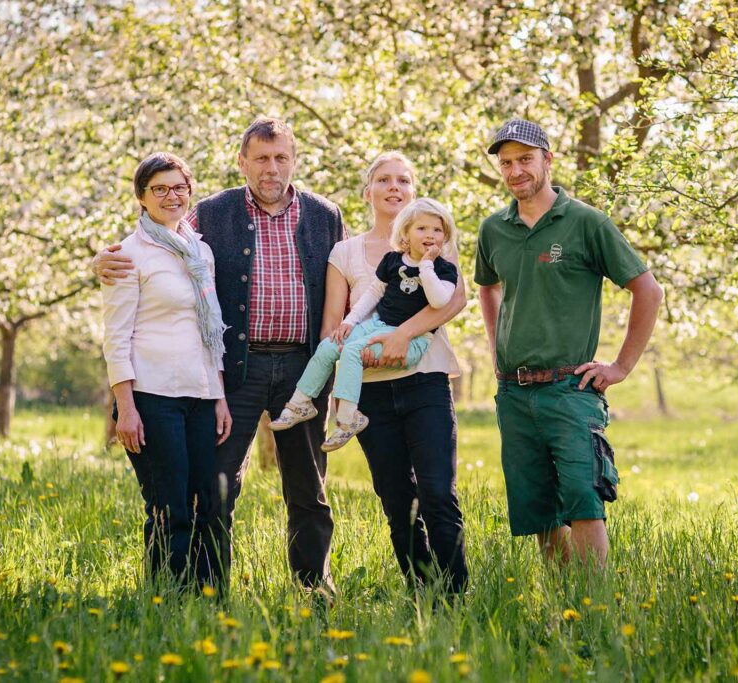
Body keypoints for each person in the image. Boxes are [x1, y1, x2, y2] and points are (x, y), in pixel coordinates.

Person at [95, 118, 345, 594]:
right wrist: (100, 260)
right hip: (238, 371)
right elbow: (156, 238)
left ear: (293, 160)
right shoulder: (210, 213)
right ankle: (210, 591)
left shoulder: (324, 215)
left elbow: (350, 273)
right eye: (261, 158)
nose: (272, 168)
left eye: (281, 158)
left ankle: (314, 588)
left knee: (308, 489)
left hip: (304, 370)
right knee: (219, 487)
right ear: (242, 162)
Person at [475, 119, 664, 568]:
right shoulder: (493, 229)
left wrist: (620, 367)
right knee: (539, 509)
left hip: (571, 389)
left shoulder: (585, 222)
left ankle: (593, 611)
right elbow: (488, 287)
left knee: (583, 500)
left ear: (547, 160)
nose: (516, 170)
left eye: (525, 159)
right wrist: (497, 345)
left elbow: (648, 290)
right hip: (514, 393)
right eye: (506, 163)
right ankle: (565, 608)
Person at [318, 152, 469, 594]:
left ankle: (456, 598)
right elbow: (333, 323)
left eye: (403, 179)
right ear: (368, 192)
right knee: (397, 501)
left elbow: (454, 301)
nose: (394, 187)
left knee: (438, 493)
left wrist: (401, 336)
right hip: (370, 393)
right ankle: (423, 593)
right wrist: (355, 352)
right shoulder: (345, 252)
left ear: (414, 190)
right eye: (383, 180)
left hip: (425, 380)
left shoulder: (434, 239)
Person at [101, 152, 231, 592]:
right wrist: (126, 408)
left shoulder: (201, 252)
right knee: (168, 505)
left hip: (199, 394)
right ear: (141, 197)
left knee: (208, 504)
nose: (171, 196)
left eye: (179, 187)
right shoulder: (126, 255)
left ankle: (208, 598)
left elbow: (208, 327)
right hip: (153, 398)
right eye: (160, 188)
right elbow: (116, 337)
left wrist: (219, 397)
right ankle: (165, 600)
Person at [269, 198, 458, 453]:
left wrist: (426, 265)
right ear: (406, 233)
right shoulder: (393, 261)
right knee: (329, 346)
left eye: (437, 230)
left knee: (353, 351)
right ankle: (300, 403)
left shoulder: (443, 269)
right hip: (377, 325)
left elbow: (439, 300)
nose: (430, 235)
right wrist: (348, 322)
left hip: (413, 341)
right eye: (422, 228)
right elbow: (372, 294)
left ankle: (348, 419)